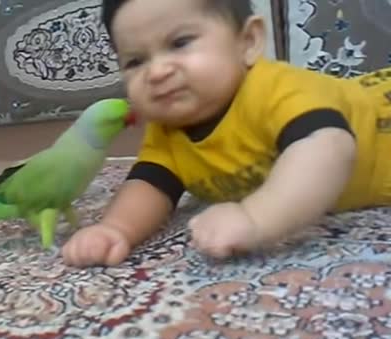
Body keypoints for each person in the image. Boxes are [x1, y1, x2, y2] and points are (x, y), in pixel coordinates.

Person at [61, 0, 391, 267]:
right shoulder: (167, 131)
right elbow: (149, 185)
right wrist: (115, 229)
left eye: (180, 43)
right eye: (135, 61)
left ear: (247, 42)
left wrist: (256, 217)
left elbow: (328, 148)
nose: (157, 71)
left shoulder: (277, 89)